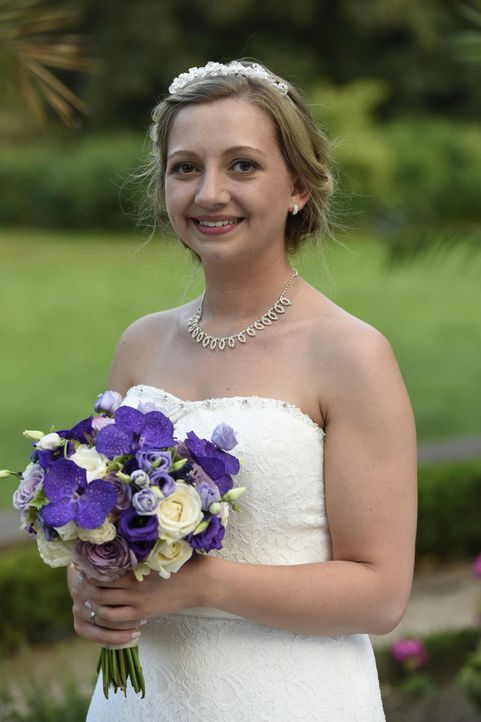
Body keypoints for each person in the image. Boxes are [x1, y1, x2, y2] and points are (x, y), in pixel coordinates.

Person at [68, 60, 417, 721]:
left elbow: (379, 593)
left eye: (242, 166)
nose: (209, 192)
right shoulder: (139, 345)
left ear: (298, 188)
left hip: (290, 697)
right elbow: (96, 526)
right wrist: (91, 587)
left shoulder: (350, 355)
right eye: (185, 167)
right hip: (144, 700)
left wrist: (197, 586)